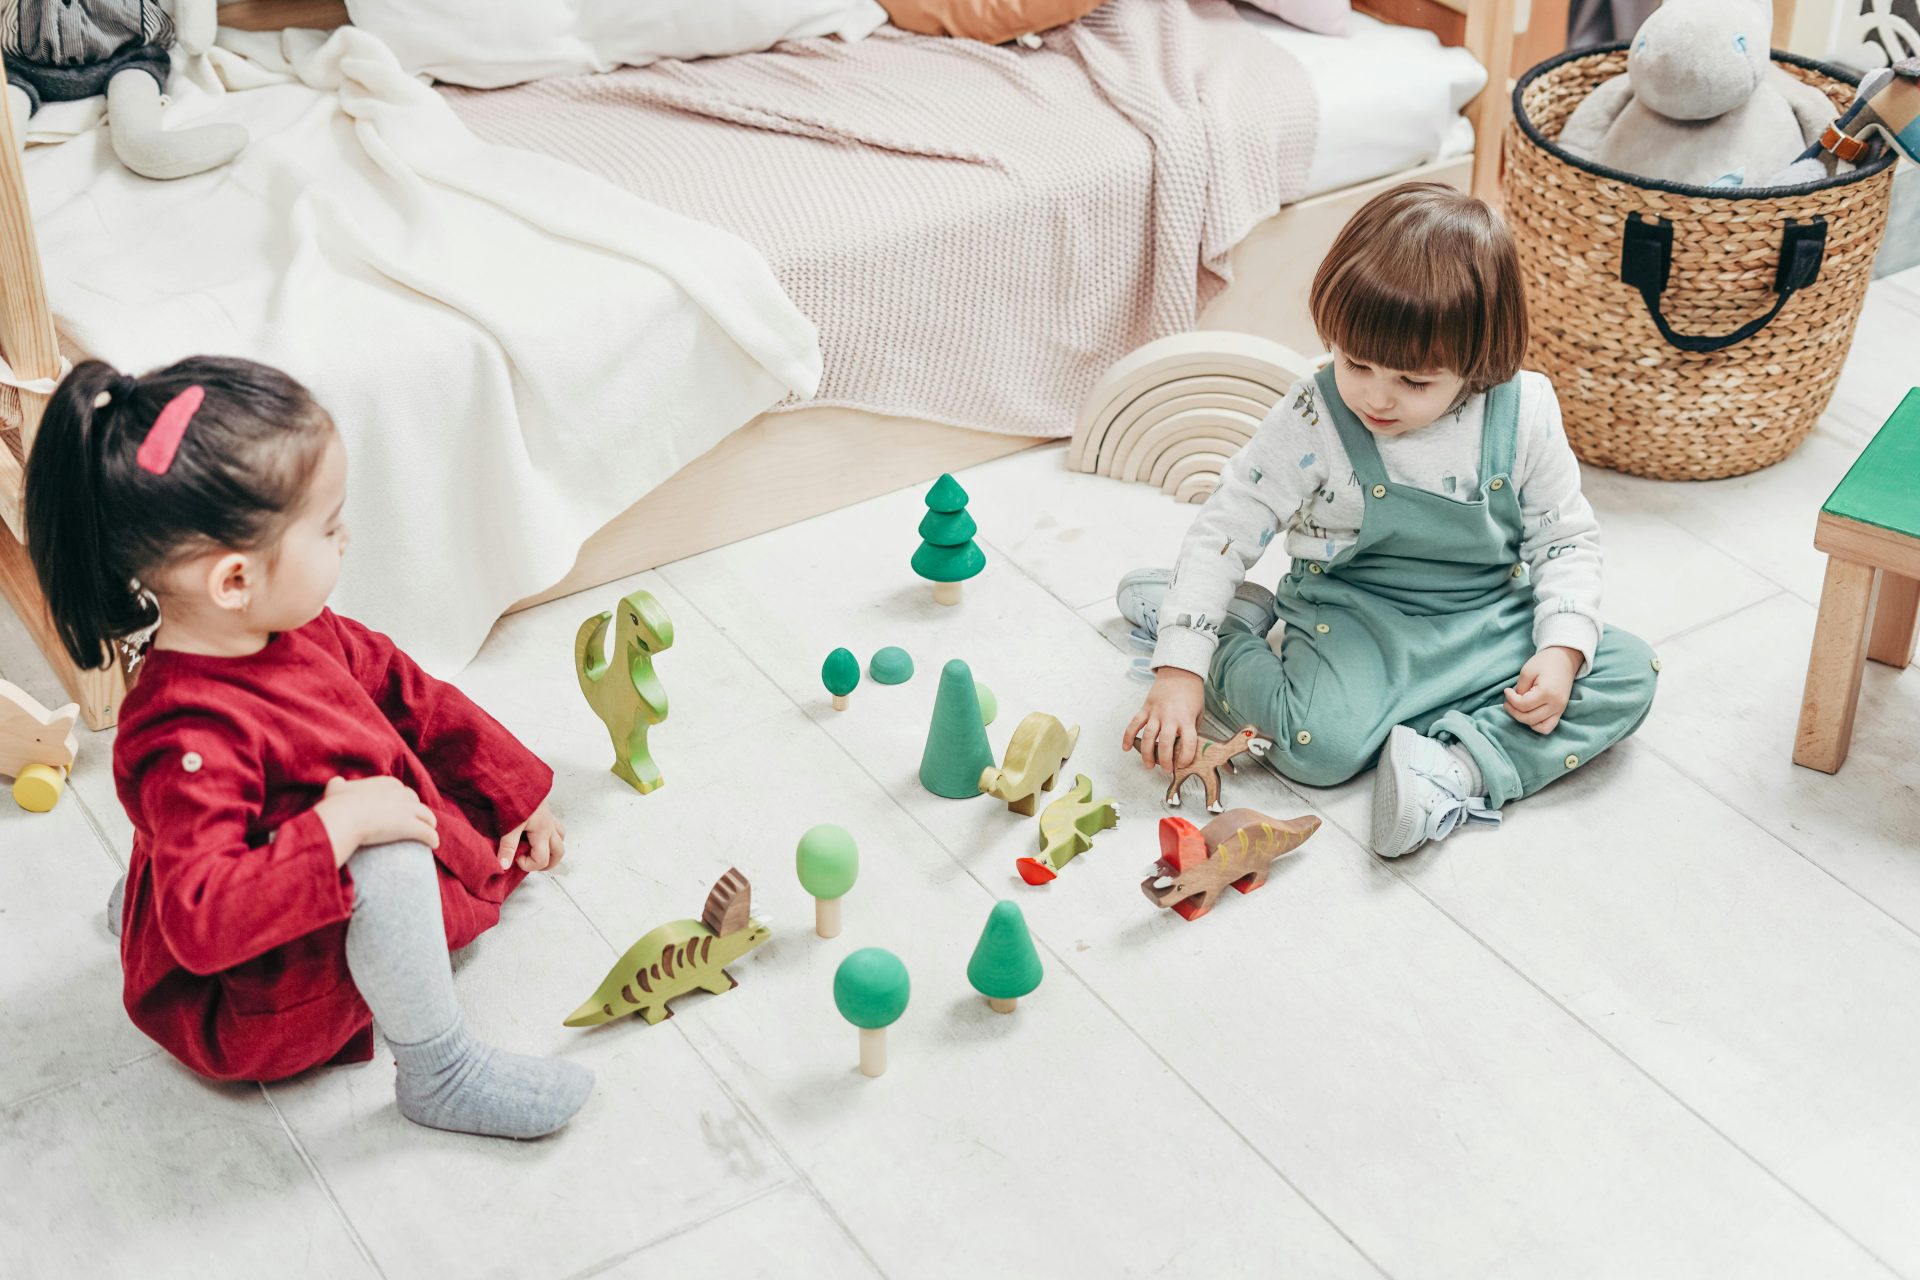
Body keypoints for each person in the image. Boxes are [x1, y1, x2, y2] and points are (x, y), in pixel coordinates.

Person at [25, 355, 591, 1139]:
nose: (347, 537)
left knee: (366, 800)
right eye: (327, 528)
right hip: (256, 993)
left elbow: (406, 691)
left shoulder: (286, 625)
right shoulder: (182, 735)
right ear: (233, 580)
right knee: (387, 854)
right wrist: (339, 829)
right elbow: (205, 922)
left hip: (263, 873)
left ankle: (141, 912)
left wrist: (512, 790)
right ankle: (441, 1070)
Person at [1118, 182, 1658, 858]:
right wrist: (1180, 669)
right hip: (1354, 620)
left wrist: (1561, 650)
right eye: (1356, 362)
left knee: (1628, 669)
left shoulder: (1526, 411)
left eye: (1414, 381)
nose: (1376, 395)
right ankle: (1220, 631)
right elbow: (1224, 529)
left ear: (1478, 362)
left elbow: (1565, 541)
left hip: (1486, 618)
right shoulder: (1312, 418)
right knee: (1318, 752)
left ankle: (1454, 771)